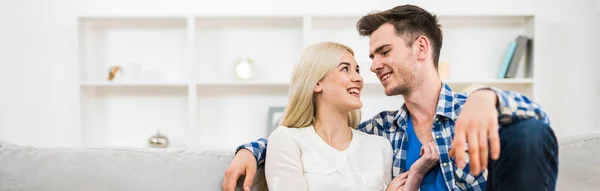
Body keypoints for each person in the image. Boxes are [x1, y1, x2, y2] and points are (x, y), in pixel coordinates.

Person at [223, 4, 558, 191]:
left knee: (526, 131)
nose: (372, 67)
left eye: (383, 52)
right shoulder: (380, 132)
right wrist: (252, 150)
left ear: (421, 48)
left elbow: (539, 128)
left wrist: (488, 97)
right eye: (369, 58)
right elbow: (317, 138)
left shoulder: (473, 111)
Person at [264, 42, 395, 190]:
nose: (359, 78)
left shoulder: (380, 147)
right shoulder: (287, 140)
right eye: (345, 69)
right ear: (317, 83)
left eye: (357, 70)